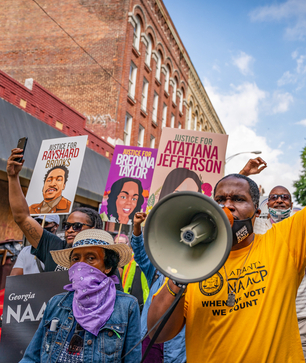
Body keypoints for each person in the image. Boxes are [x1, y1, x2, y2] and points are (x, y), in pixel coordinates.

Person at [147, 92, 306, 362]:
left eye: (238, 199)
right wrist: (178, 277)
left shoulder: (283, 243)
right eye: (219, 199)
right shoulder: (191, 263)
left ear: (257, 211)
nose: (227, 206)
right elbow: (158, 333)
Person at [7, 149, 123, 288]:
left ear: (93, 229)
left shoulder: (106, 261)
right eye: (67, 225)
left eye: (77, 226)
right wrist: (13, 177)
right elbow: (22, 217)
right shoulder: (53, 246)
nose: (69, 230)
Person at [20, 229, 141, 362]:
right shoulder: (56, 303)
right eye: (75, 259)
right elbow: (32, 357)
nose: (80, 265)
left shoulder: (126, 307)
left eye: (91, 258)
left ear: (107, 266)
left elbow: (132, 359)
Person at [246, 177, 306, 361]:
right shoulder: (254, 228)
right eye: (274, 197)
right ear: (267, 204)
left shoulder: (304, 232)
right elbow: (229, 211)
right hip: (258, 319)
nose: (279, 200)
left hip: (296, 321)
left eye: (284, 197)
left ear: (291, 204)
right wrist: (245, 174)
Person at [131, 212, 187, 363]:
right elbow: (141, 253)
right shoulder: (156, 272)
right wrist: (137, 227)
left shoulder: (194, 277)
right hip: (149, 340)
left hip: (176, 347)